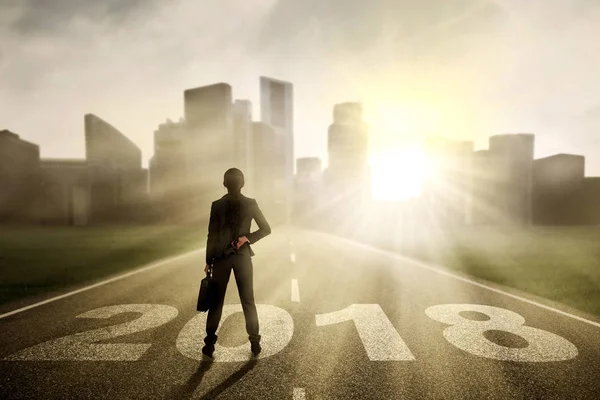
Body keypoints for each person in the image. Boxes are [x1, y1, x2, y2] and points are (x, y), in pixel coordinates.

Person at [202, 168, 271, 359]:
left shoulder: (216, 205)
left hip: (221, 259)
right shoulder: (250, 203)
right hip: (242, 258)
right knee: (248, 300)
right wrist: (246, 238)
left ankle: (209, 344)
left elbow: (212, 235)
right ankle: (255, 342)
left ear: (224, 183)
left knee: (216, 302)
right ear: (243, 184)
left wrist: (208, 260)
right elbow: (266, 229)